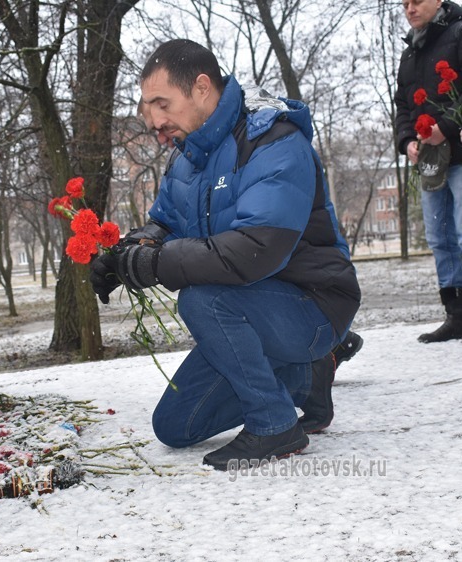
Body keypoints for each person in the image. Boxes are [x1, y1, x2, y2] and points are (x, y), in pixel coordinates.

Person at [90, 39, 361, 470]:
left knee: (202, 299)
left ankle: (275, 426)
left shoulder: (273, 141)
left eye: (162, 103)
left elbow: (255, 251)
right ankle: (308, 373)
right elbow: (166, 223)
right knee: (175, 427)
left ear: (201, 87)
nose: (154, 121)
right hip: (250, 309)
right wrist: (127, 253)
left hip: (313, 303)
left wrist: (156, 264)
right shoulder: (186, 159)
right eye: (147, 106)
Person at [395, 0, 462, 343]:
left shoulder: (459, 32)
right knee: (440, 238)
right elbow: (403, 106)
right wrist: (407, 140)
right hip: (430, 162)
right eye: (404, 3)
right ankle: (456, 315)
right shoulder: (410, 52)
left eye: (416, 1)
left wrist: (446, 128)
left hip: (460, 153)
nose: (409, 8)